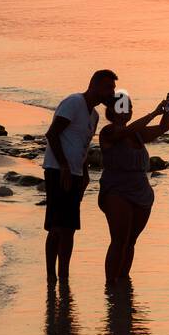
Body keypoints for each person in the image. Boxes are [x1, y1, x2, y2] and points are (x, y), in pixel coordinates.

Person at [44, 69, 119, 283]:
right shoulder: (74, 102)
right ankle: (51, 275)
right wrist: (65, 167)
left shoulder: (94, 116)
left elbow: (83, 146)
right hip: (57, 170)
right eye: (108, 88)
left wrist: (84, 173)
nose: (110, 93)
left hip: (75, 174)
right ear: (94, 85)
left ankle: (64, 275)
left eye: (112, 89)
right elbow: (52, 134)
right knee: (57, 227)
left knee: (70, 228)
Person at [97, 90, 169, 286]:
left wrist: (167, 108)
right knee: (119, 240)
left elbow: (164, 127)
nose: (126, 111)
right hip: (117, 191)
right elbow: (125, 131)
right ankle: (110, 285)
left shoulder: (138, 133)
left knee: (131, 241)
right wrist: (153, 112)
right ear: (111, 111)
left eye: (129, 107)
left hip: (142, 192)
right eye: (121, 107)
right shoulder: (108, 132)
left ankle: (123, 282)